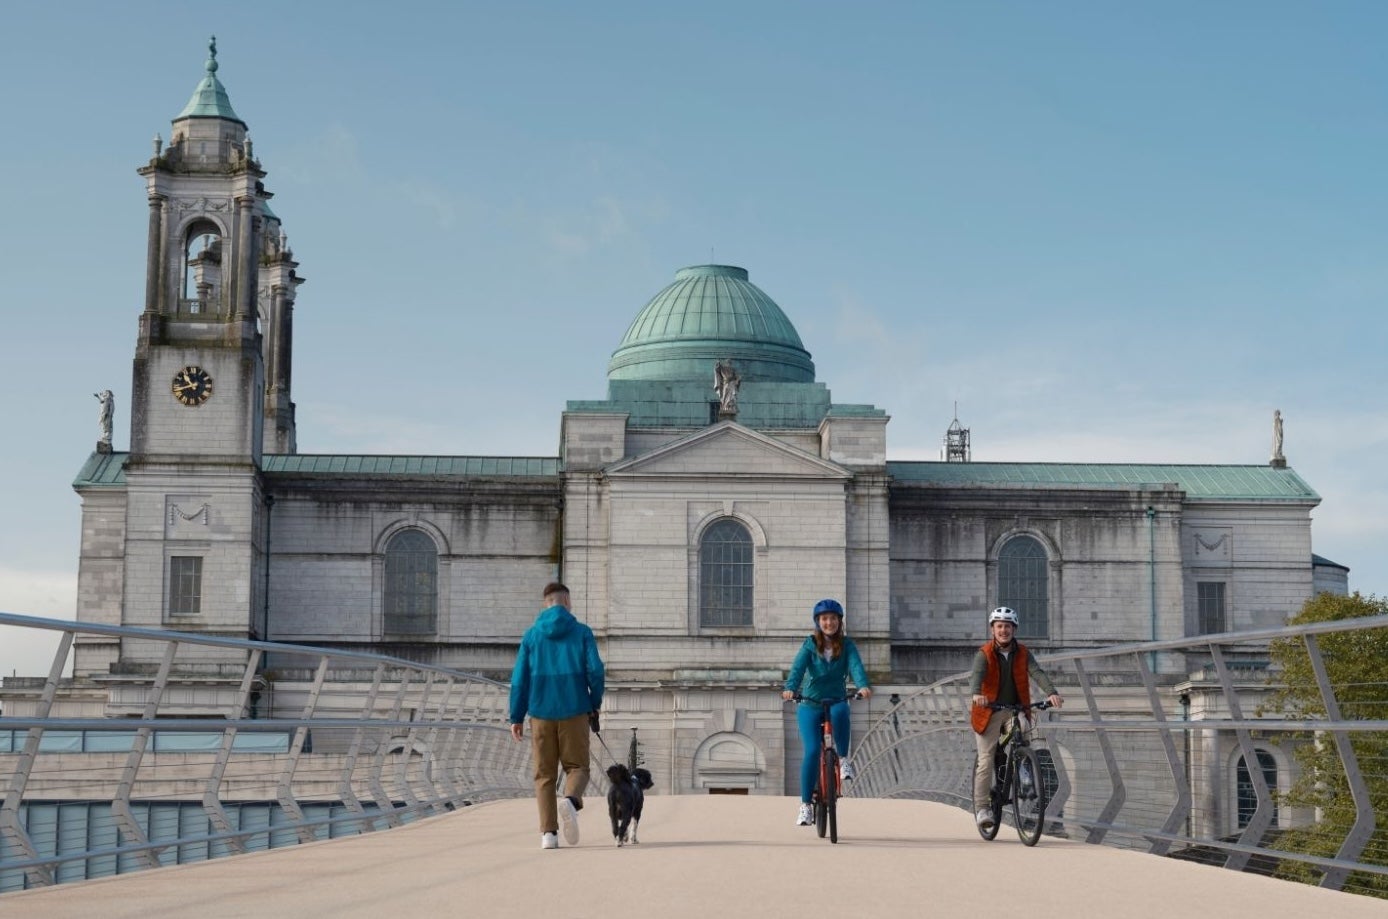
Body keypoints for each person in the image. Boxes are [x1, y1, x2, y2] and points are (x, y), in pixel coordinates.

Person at [509, 582, 605, 850]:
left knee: (544, 775)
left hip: (540, 712)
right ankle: (572, 801)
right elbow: (596, 670)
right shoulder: (582, 632)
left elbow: (519, 679)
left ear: (546, 603)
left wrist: (516, 715)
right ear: (567, 602)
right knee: (578, 767)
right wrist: (594, 701)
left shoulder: (531, 636)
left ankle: (549, 835)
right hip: (575, 709)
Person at [968, 606, 1063, 829]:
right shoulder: (984, 654)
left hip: (1014, 708)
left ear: (1014, 629)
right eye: (999, 626)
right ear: (993, 629)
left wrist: (1051, 692)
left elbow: (1036, 672)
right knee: (986, 760)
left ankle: (1025, 777)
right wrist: (976, 694)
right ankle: (982, 809)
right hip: (989, 711)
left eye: (1008, 626)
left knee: (1023, 728)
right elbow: (977, 675)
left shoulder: (1023, 653)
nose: (1004, 630)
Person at [781, 598, 873, 826]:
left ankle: (843, 759)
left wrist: (863, 685)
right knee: (812, 751)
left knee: (842, 711)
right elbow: (798, 668)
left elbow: (856, 667)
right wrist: (790, 688)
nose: (829, 623)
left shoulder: (847, 645)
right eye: (824, 619)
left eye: (833, 618)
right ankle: (805, 806)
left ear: (839, 621)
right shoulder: (810, 645)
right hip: (810, 703)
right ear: (818, 622)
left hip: (836, 699)